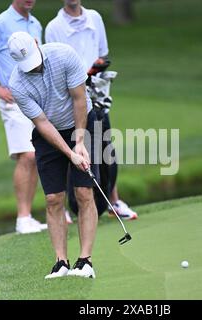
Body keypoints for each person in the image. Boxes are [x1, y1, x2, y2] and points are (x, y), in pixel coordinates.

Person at [0, 0, 70, 234]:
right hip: (13, 100)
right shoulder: (1, 23)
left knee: (42, 154)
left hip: (36, 99)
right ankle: (23, 217)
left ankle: (55, 209)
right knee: (27, 155)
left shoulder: (35, 23)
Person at [7, 31, 99, 279]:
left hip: (83, 124)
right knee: (53, 199)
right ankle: (61, 262)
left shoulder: (63, 55)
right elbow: (42, 122)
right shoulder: (17, 84)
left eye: (35, 61)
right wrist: (70, 153)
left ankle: (85, 261)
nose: (34, 68)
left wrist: (79, 142)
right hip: (49, 133)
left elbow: (79, 99)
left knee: (83, 192)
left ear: (37, 43)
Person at [45, 0, 138, 220]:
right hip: (72, 98)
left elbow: (103, 54)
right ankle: (67, 208)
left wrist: (96, 68)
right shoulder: (54, 27)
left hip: (96, 94)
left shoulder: (95, 18)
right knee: (75, 151)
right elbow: (54, 67)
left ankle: (113, 201)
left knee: (106, 148)